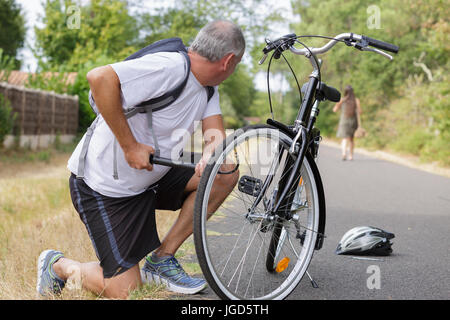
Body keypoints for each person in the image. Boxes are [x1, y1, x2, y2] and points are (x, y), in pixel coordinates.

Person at [36, 20, 244, 299]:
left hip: (152, 178)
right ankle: (58, 265)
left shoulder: (207, 86)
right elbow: (100, 78)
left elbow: (214, 132)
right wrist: (130, 145)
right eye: (238, 63)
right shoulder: (170, 67)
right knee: (128, 292)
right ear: (229, 61)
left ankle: (162, 260)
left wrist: (210, 153)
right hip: (105, 189)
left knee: (224, 171)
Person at [333, 85, 362, 161]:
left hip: (344, 122)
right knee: (351, 139)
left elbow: (335, 110)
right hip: (353, 122)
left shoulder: (342, 100)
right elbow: (360, 112)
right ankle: (351, 156)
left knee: (344, 138)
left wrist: (341, 102)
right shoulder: (356, 100)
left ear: (345, 92)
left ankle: (344, 154)